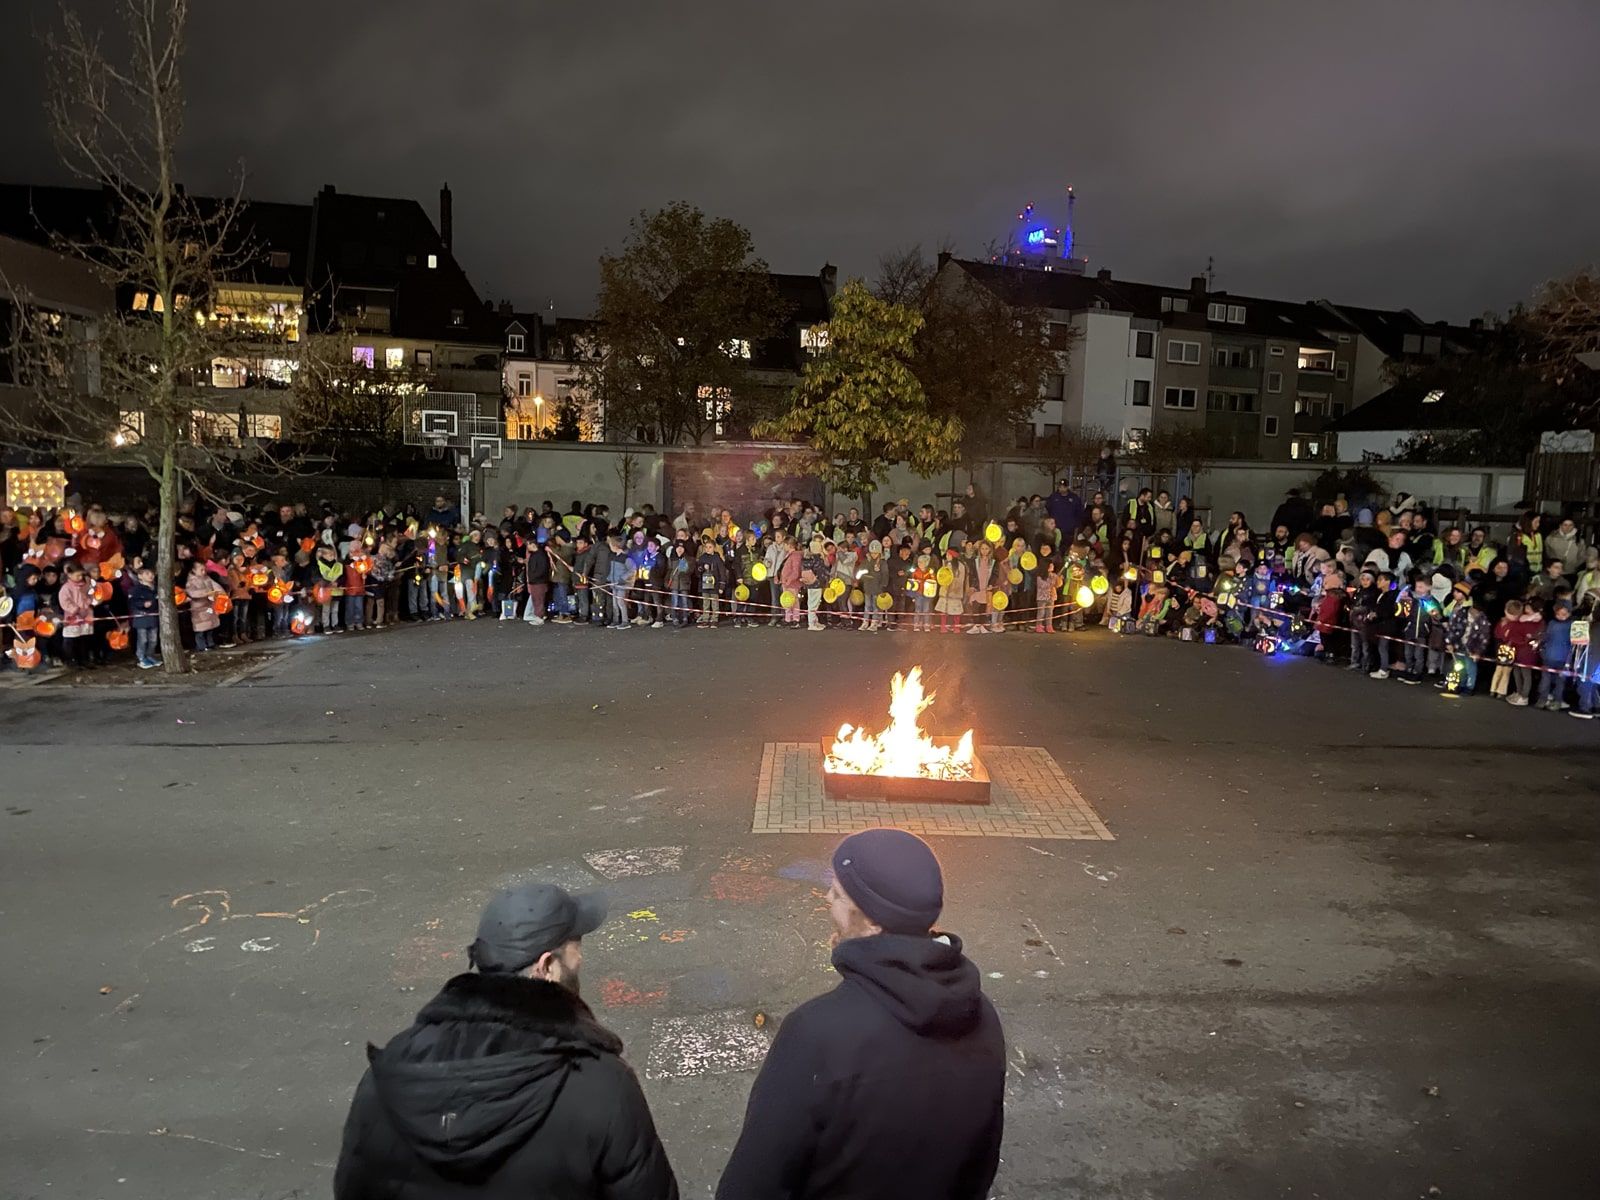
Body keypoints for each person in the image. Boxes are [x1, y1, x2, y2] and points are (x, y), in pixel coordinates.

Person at [334, 881, 677, 1200]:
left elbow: (353, 1187)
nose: (581, 959)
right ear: (546, 967)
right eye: (576, 947)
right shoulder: (602, 1086)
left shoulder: (390, 1075)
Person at [716, 830, 1004, 1200]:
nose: (826, 899)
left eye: (837, 894)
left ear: (872, 924)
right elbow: (981, 1161)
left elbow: (754, 1184)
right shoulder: (982, 1016)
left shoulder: (816, 1034)